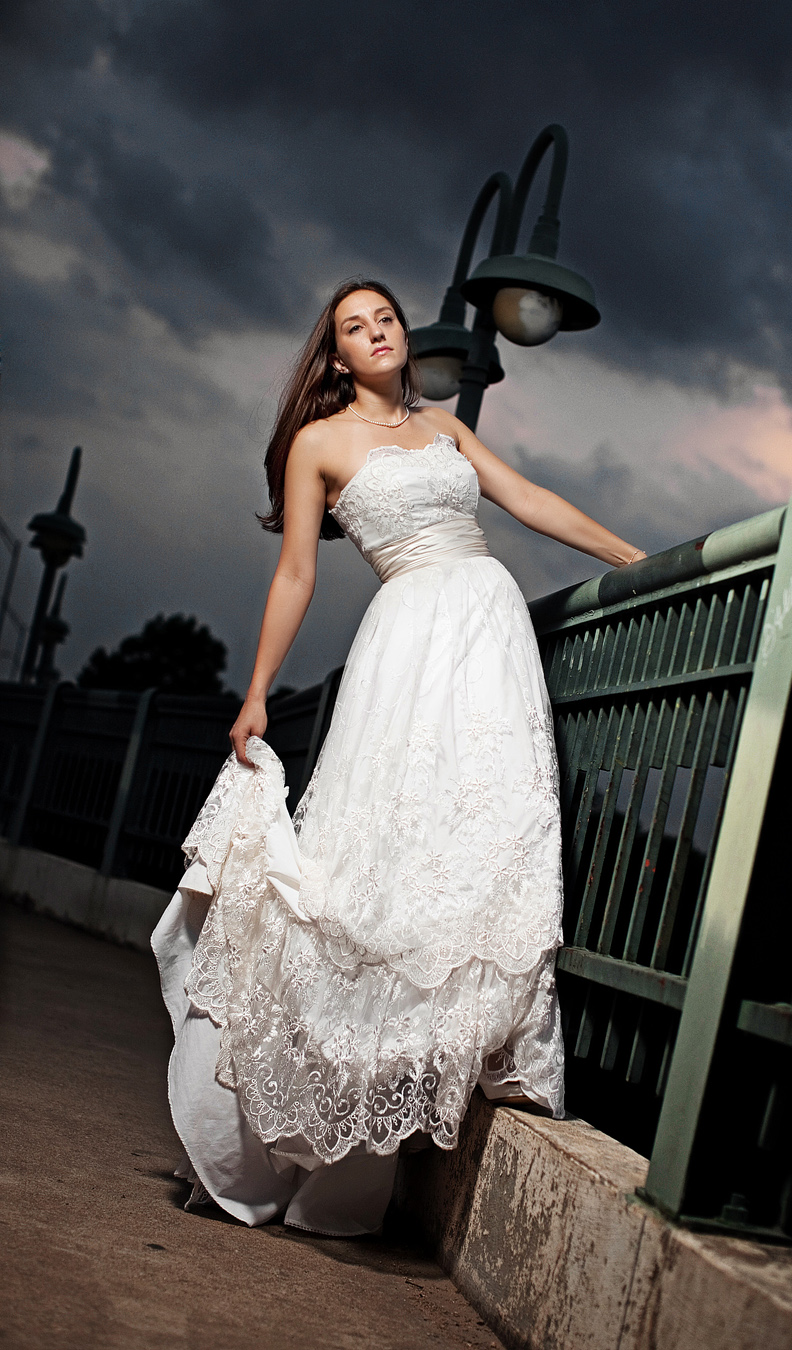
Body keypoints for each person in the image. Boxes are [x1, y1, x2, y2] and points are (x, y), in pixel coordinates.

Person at [151, 277, 647, 1237]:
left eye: (386, 320)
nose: (377, 334)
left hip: (489, 630)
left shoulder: (450, 428)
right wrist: (255, 692)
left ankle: (422, 1089)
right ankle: (280, 1135)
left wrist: (631, 558)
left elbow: (528, 499)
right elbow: (296, 569)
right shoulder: (319, 443)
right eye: (355, 327)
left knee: (486, 829)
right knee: (373, 862)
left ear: (401, 339)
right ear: (336, 356)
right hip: (408, 638)